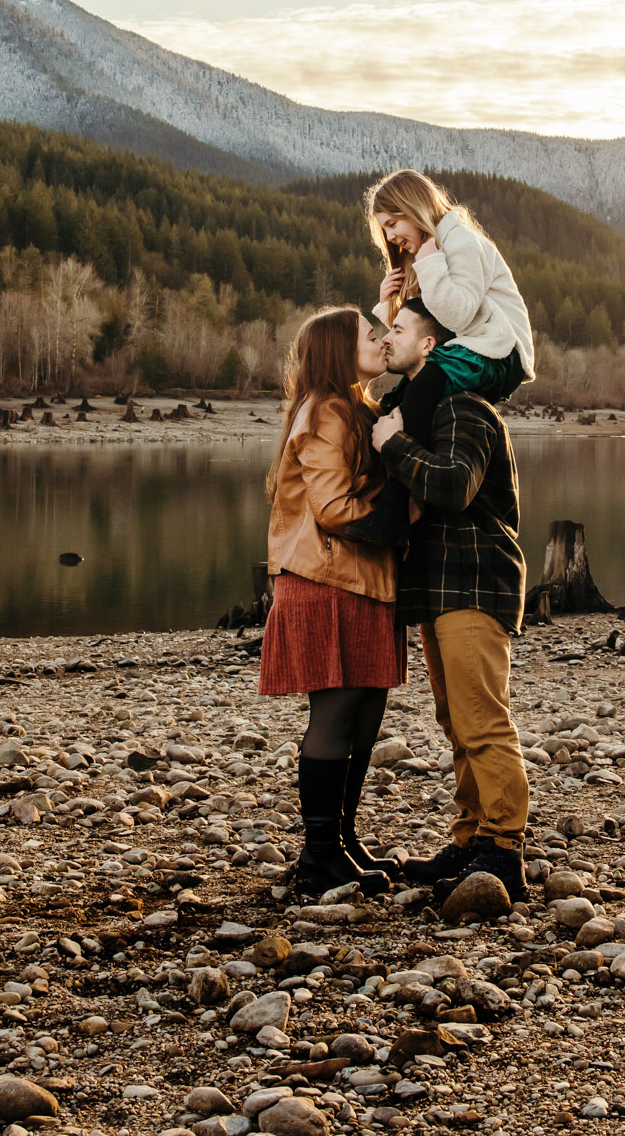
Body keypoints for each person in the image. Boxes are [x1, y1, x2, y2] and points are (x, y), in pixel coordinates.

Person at [370, 297, 530, 902]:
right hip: (438, 587)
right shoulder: (421, 407)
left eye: (399, 329)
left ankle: (504, 849)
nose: (387, 338)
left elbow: (455, 487)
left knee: (483, 720)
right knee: (454, 719)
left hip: (473, 579)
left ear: (431, 346)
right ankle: (469, 838)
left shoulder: (464, 406)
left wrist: (393, 448)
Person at [261, 305, 403, 895]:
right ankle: (318, 855)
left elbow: (391, 333)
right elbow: (333, 508)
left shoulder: (354, 405)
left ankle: (341, 841)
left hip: (362, 580)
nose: (382, 339)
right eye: (370, 335)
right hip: (325, 580)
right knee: (337, 716)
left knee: (365, 717)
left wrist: (390, 291)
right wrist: (402, 515)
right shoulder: (325, 412)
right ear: (339, 351)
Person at [366, 170, 536, 445]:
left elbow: (457, 316)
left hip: (501, 354)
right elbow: (426, 328)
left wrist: (431, 264)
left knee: (424, 386)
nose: (390, 235)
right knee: (394, 402)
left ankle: (410, 470)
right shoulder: (429, 252)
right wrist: (388, 306)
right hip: (472, 348)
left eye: (393, 223)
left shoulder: (461, 242)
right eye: (384, 229)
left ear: (414, 208)